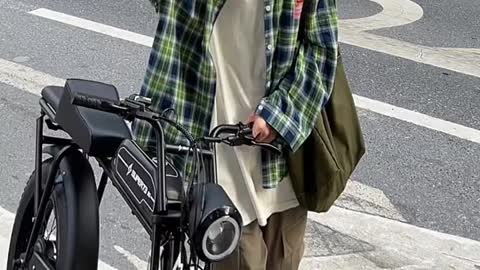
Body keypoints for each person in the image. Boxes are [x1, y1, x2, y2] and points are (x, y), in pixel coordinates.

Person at [133, 0, 338, 269]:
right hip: (216, 147)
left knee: (284, 260)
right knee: (241, 257)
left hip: (281, 155)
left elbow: (321, 50)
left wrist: (281, 114)